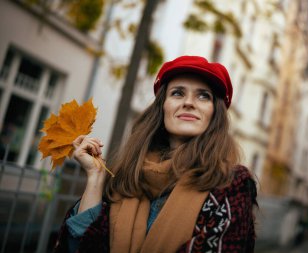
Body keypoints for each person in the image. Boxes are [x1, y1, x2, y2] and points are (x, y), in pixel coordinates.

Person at [53, 55, 258, 253]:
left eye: (203, 96)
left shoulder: (230, 183)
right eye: (177, 93)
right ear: (162, 107)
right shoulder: (126, 178)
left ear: (215, 113)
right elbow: (79, 245)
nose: (188, 102)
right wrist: (96, 178)